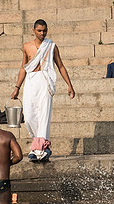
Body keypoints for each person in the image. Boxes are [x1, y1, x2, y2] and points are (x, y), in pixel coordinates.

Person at [10, 19, 75, 161]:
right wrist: (17, 88)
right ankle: (37, 143)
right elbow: (23, 67)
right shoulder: (27, 46)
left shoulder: (51, 46)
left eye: (44, 30)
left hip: (45, 81)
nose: (42, 33)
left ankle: (41, 148)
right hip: (31, 82)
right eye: (39, 30)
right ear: (33, 30)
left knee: (44, 115)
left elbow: (61, 66)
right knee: (29, 116)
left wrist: (69, 85)